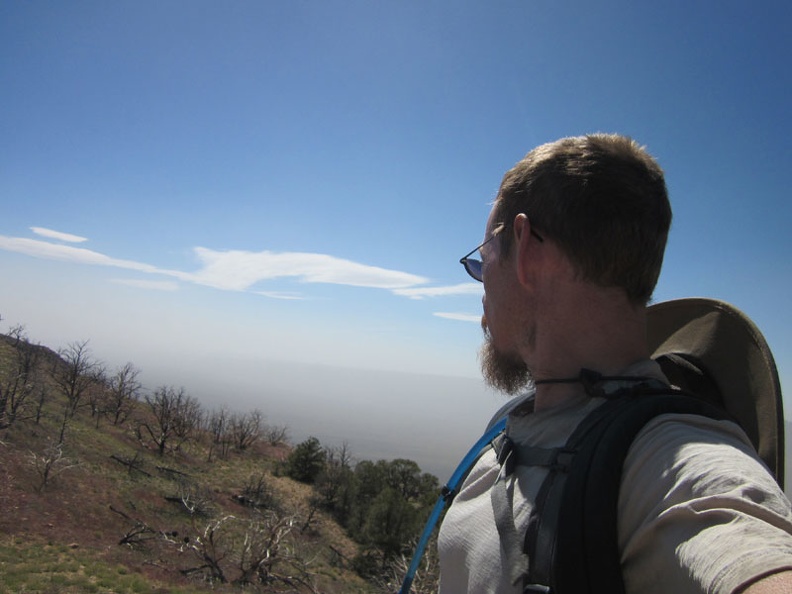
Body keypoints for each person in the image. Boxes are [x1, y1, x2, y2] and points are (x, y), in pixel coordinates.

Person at [438, 134, 792, 593]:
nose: (481, 285)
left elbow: (745, 548)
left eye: (484, 259)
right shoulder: (508, 429)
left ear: (526, 250)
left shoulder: (669, 461)